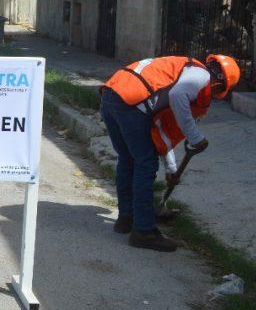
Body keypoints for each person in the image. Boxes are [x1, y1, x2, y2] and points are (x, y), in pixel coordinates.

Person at [99, 54, 240, 251]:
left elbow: (161, 131)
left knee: (128, 159)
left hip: (111, 95)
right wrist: (195, 137)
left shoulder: (178, 69)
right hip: (131, 104)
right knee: (145, 165)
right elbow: (178, 97)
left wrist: (171, 168)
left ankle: (126, 219)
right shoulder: (200, 77)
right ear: (219, 83)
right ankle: (143, 232)